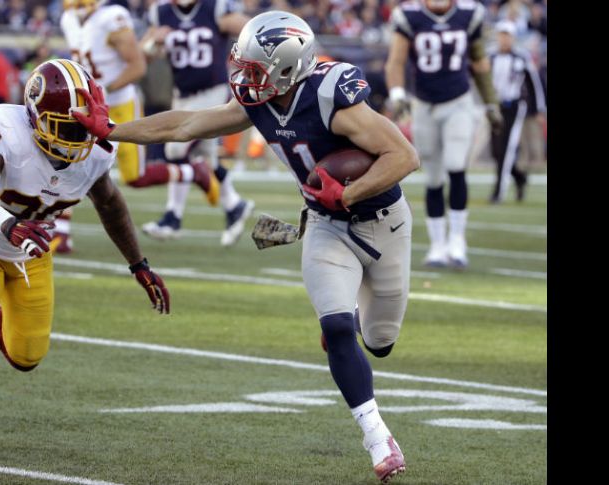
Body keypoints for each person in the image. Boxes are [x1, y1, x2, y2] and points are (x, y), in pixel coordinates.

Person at [74, 11, 418, 482]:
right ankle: (378, 437)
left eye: (255, 70)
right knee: (337, 328)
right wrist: (113, 129)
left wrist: (350, 192)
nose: (243, 77)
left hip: (384, 223)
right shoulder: (258, 102)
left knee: (379, 343)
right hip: (324, 224)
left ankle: (358, 319)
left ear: (288, 68)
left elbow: (404, 155)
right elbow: (187, 124)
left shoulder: (332, 96)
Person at [0, 59, 170, 449]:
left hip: (31, 252)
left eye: (81, 123)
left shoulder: (96, 152)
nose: (75, 135)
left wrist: (139, 265)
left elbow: (111, 205)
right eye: (65, 125)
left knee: (26, 357)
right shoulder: (5, 127)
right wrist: (7, 224)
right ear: (34, 115)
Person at [53, 0, 218, 253]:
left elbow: (137, 66)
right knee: (69, 160)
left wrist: (101, 91)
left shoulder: (112, 17)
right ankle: (61, 235)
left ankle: (194, 172)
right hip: (89, 106)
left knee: (135, 178)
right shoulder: (69, 20)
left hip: (119, 105)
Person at [384, 0, 502, 268]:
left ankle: (457, 240)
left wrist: (490, 101)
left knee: (455, 165)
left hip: (459, 102)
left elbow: (480, 63)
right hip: (424, 104)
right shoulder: (410, 16)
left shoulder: (469, 14)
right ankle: (438, 245)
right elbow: (396, 61)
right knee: (434, 177)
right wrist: (398, 94)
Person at [139, 0, 255, 246]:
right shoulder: (160, 14)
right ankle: (235, 205)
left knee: (176, 148)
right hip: (181, 95)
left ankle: (173, 217)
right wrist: (153, 43)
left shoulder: (215, 8)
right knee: (206, 159)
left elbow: (253, 32)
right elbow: (142, 57)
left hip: (212, 91)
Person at [488, 20, 546, 203]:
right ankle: (520, 177)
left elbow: (534, 84)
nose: (504, 39)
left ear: (512, 37)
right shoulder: (491, 56)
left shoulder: (521, 57)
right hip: (494, 107)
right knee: (496, 151)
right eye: (501, 35)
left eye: (507, 35)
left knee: (506, 149)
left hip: (514, 106)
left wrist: (539, 109)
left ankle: (498, 192)